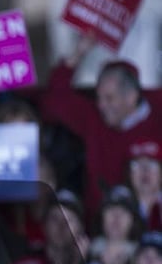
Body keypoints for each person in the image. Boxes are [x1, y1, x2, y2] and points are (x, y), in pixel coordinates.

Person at [39, 35, 162, 224]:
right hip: (100, 233)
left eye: (109, 98)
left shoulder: (158, 111)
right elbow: (54, 101)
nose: (101, 105)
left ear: (131, 96)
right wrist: (78, 53)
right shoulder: (94, 118)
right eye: (98, 97)